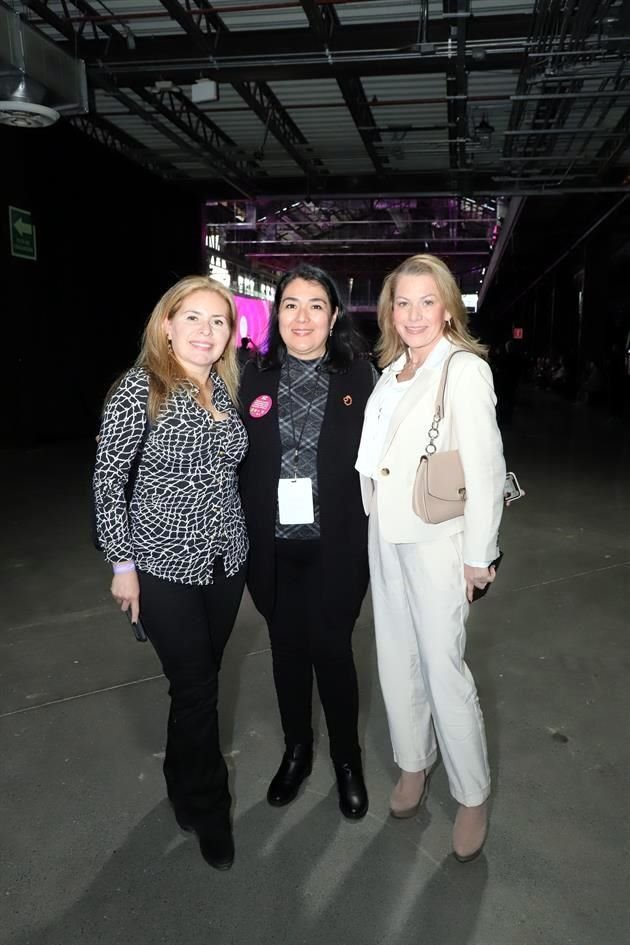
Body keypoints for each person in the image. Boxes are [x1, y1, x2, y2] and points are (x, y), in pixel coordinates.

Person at [93, 275, 248, 871]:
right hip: (162, 568)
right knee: (199, 689)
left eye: (218, 322)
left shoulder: (225, 388)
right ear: (166, 324)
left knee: (195, 683)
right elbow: (109, 483)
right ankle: (210, 809)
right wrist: (122, 566)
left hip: (226, 562)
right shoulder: (140, 389)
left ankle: (179, 781)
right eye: (193, 318)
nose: (206, 331)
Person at [355, 254, 506, 862]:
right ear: (390, 310)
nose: (414, 315)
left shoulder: (463, 369)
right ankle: (413, 763)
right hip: (385, 536)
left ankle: (472, 792)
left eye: (427, 302)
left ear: (448, 307)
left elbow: (486, 468)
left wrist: (479, 555)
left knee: (444, 667)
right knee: (395, 657)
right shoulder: (390, 370)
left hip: (438, 540)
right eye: (403, 302)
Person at [239, 263, 375, 820]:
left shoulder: (360, 377)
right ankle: (298, 750)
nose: (302, 316)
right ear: (277, 312)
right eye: (291, 304)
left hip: (337, 546)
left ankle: (347, 759)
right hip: (272, 548)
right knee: (287, 653)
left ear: (334, 315)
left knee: (333, 651)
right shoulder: (251, 376)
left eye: (315, 305)